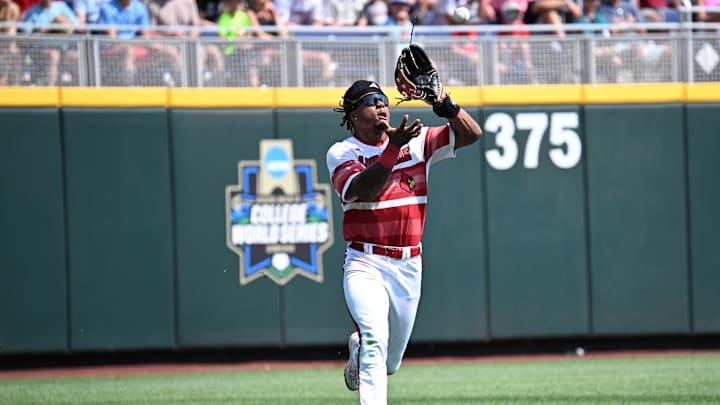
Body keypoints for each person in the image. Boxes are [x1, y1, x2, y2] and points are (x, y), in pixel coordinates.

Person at [326, 79, 482, 405]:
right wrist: (393, 147)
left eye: (383, 99)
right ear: (353, 114)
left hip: (409, 263)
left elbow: (471, 134)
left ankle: (359, 353)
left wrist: (442, 102)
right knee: (375, 341)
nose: (381, 105)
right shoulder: (343, 152)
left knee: (390, 363)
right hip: (365, 262)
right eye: (371, 101)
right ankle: (366, 353)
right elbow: (363, 190)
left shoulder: (417, 140)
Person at [22, 0, 80, 85]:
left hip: (64, 48)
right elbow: (26, 36)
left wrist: (64, 22)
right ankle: (51, 90)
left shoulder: (62, 6)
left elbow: (77, 25)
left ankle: (78, 89)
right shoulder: (32, 11)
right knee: (53, 55)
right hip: (41, 49)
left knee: (75, 56)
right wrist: (46, 31)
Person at [0, 0, 21, 86]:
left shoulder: (14, 8)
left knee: (12, 53)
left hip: (9, 48)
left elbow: (8, 30)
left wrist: (7, 8)